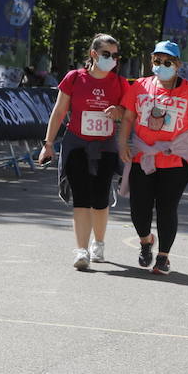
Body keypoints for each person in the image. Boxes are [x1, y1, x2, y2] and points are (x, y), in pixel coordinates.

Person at [116, 40, 188, 275]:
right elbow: (128, 118)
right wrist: (122, 144)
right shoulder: (139, 85)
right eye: (157, 61)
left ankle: (163, 257)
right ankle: (146, 240)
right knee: (139, 209)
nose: (161, 65)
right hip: (143, 156)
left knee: (167, 209)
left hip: (175, 159)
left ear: (178, 64)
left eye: (167, 61)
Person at [36, 33, 128, 268]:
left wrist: (118, 111)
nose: (111, 59)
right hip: (77, 144)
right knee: (81, 199)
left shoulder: (119, 83)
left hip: (106, 146)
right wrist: (48, 144)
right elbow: (58, 112)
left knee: (100, 198)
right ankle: (81, 250)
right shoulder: (75, 78)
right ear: (93, 54)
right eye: (106, 54)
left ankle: (99, 242)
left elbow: (130, 115)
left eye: (115, 55)